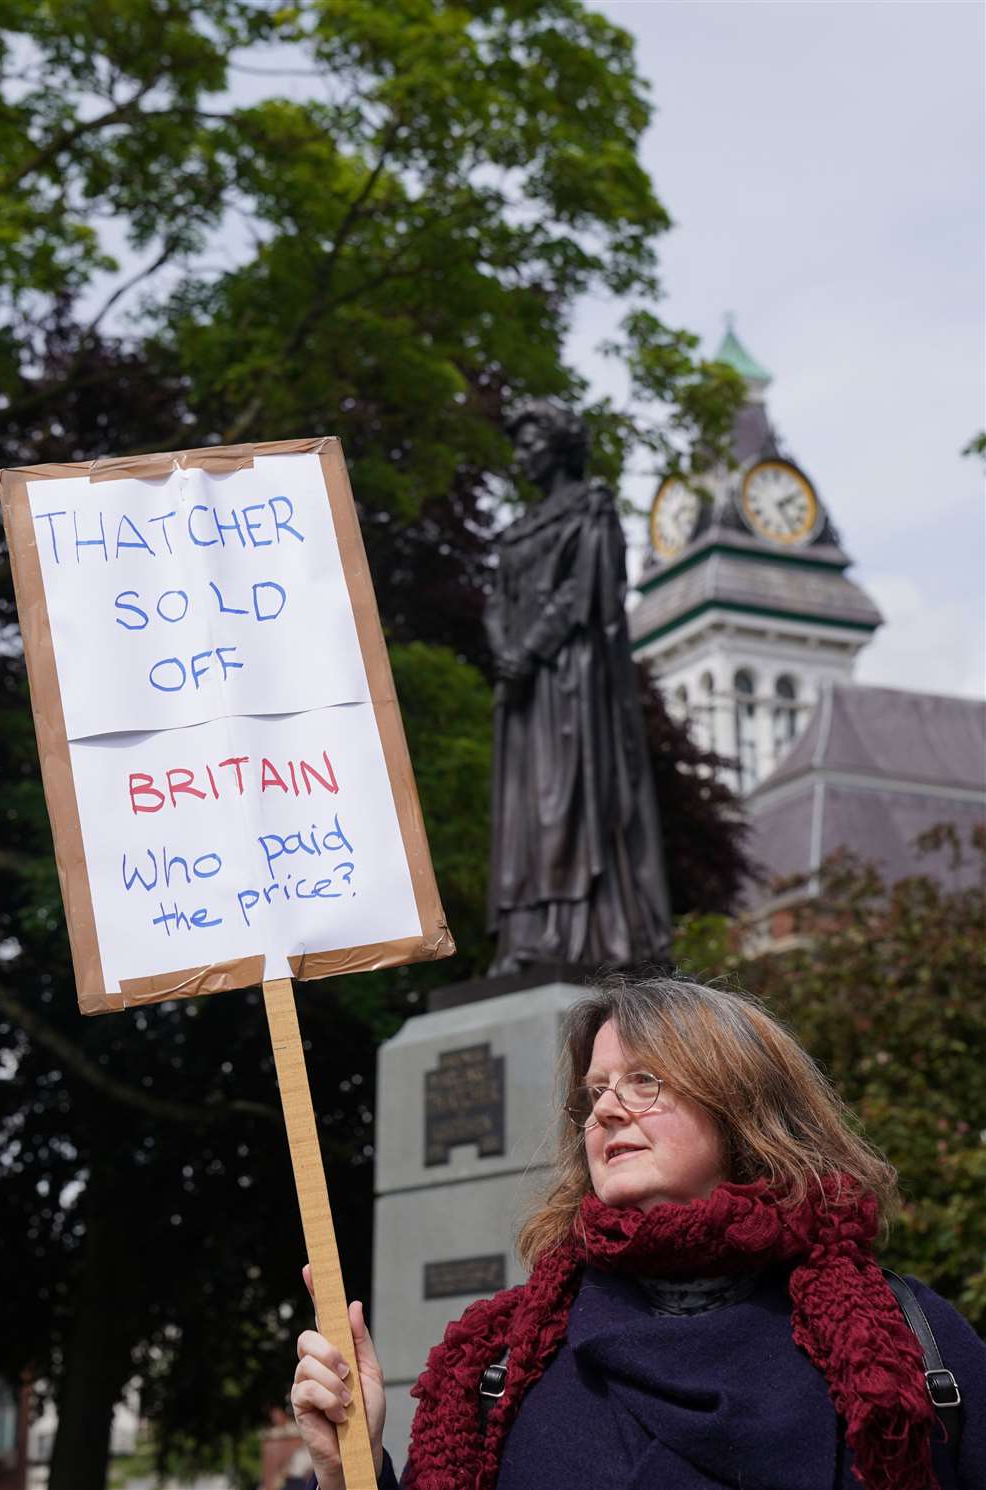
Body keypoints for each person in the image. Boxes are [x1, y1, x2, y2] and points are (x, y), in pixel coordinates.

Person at [291, 976, 986, 1489]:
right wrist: (351, 1467)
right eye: (596, 1091)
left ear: (742, 1105)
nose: (608, 1112)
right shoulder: (499, 1361)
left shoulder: (908, 1343)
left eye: (645, 1080)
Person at [484, 401, 670, 975]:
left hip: (570, 681)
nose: (521, 457)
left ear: (560, 445)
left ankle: (575, 936)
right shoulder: (517, 531)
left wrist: (530, 649)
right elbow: (494, 601)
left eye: (530, 442)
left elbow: (586, 592)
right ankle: (524, 937)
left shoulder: (591, 507)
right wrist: (504, 654)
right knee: (523, 811)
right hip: (523, 688)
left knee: (565, 800)